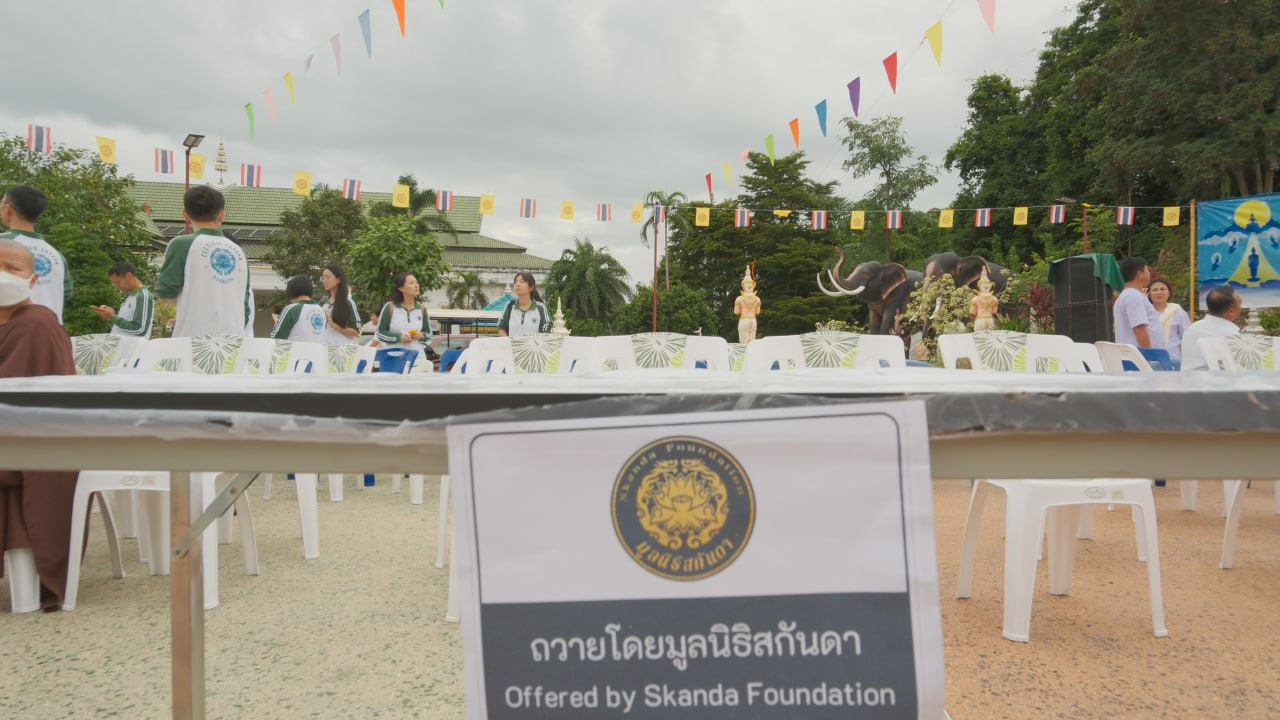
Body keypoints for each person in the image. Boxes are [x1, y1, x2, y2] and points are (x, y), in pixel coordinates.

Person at [0, 238, 78, 611]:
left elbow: (14, 400)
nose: (3, 275)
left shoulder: (34, 325)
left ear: (31, 281)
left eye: (12, 269)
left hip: (34, 446)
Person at [155, 185, 252, 337]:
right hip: (233, 342)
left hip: (193, 342)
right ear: (221, 215)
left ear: (185, 214)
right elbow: (245, 308)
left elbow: (165, 294)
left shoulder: (181, 244)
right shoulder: (238, 252)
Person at [0, 184, 72, 324]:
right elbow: (66, 293)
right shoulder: (56, 255)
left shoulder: (3, 245)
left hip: (10, 334)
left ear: (8, 209)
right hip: (51, 333)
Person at [1181, 285, 1242, 371]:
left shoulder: (1192, 328)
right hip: (1215, 382)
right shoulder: (1231, 335)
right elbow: (1238, 367)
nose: (1240, 308)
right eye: (1240, 304)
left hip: (1186, 381)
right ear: (1231, 311)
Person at [1113, 256, 1167, 352]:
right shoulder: (1134, 297)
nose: (1149, 273)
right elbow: (1139, 328)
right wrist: (1148, 357)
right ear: (1140, 274)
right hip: (1140, 358)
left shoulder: (1125, 296)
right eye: (1147, 270)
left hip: (1132, 356)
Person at [89, 261, 154, 337]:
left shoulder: (143, 296)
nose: (117, 286)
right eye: (114, 283)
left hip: (133, 347)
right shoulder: (130, 295)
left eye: (118, 282)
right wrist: (111, 315)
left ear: (129, 276)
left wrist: (113, 317)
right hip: (122, 346)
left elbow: (140, 329)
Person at [375, 272, 431, 359]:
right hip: (394, 358)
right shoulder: (390, 307)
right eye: (411, 283)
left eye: (416, 282)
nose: (416, 285)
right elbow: (380, 333)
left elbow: (428, 333)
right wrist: (398, 337)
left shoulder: (422, 308)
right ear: (401, 288)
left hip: (417, 357)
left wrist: (422, 335)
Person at [270, 275, 329, 343]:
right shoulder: (322, 311)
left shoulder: (291, 309)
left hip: (296, 352)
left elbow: (277, 338)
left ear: (291, 291)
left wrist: (277, 324)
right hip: (318, 353)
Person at [1146, 277, 1190, 365]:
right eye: (1154, 290)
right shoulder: (1144, 313)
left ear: (1169, 293)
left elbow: (1187, 337)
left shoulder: (1178, 312)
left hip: (1173, 359)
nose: (1159, 292)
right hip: (1149, 359)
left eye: (1162, 289)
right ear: (1149, 294)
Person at [498, 272, 551, 337]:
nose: (517, 284)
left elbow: (546, 329)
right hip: (512, 346)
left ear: (531, 287)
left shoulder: (541, 307)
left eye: (522, 282)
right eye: (515, 282)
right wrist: (507, 342)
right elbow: (501, 327)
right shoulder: (509, 306)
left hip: (534, 346)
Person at [319, 264, 361, 345]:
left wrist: (334, 326)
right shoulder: (323, 301)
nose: (324, 281)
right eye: (323, 278)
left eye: (328, 277)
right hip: (324, 349)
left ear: (338, 279)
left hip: (342, 351)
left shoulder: (348, 303)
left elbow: (356, 332)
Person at [733, 266, 761, 344]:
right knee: (752, 341)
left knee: (743, 342)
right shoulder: (758, 299)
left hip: (744, 320)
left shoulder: (739, 299)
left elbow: (736, 312)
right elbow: (757, 312)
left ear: (743, 286)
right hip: (753, 319)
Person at [969, 266, 999, 332]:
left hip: (980, 319)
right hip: (990, 319)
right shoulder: (994, 299)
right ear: (990, 286)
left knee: (979, 338)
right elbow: (994, 312)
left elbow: (972, 312)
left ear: (979, 286)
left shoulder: (975, 299)